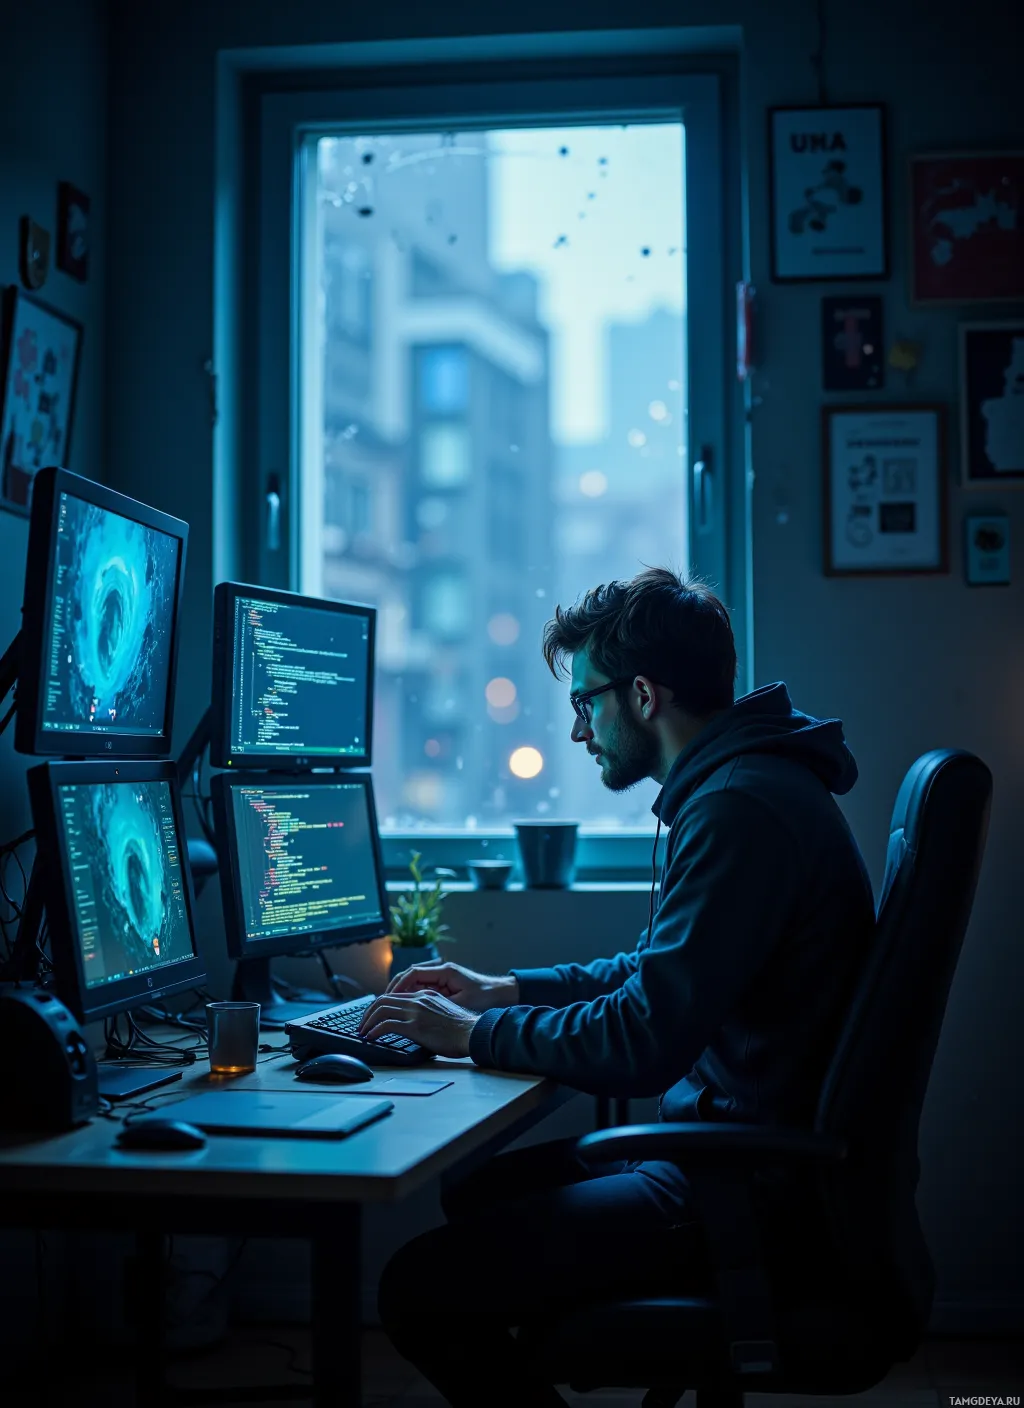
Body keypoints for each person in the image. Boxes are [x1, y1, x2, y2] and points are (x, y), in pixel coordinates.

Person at [359, 567, 875, 1407]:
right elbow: (654, 970)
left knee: (417, 1290)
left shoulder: (739, 809)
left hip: (750, 1191)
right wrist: (503, 991)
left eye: (585, 701)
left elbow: (644, 1038)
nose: (576, 731)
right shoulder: (742, 787)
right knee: (478, 1192)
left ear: (641, 695)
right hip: (745, 1161)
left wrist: (469, 1035)